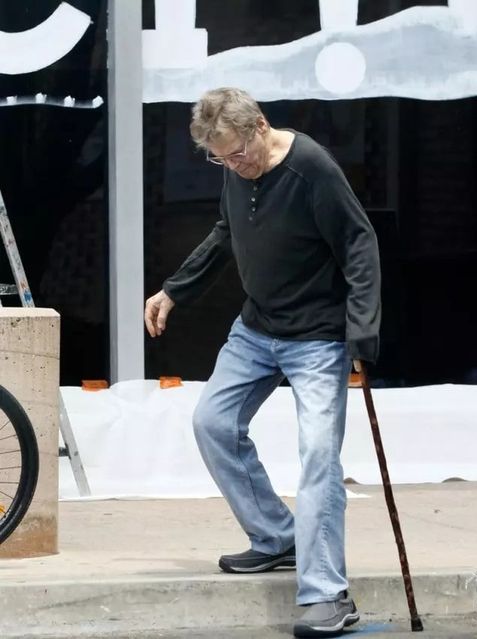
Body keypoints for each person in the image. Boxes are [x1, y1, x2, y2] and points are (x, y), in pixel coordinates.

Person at [144, 87, 381, 638]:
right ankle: (277, 537)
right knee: (213, 423)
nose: (233, 166)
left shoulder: (310, 168)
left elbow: (359, 243)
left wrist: (363, 330)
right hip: (256, 329)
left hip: (317, 338)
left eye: (237, 154)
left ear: (259, 126)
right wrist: (175, 289)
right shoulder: (238, 167)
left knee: (318, 455)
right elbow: (227, 232)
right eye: (220, 159)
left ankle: (328, 594)